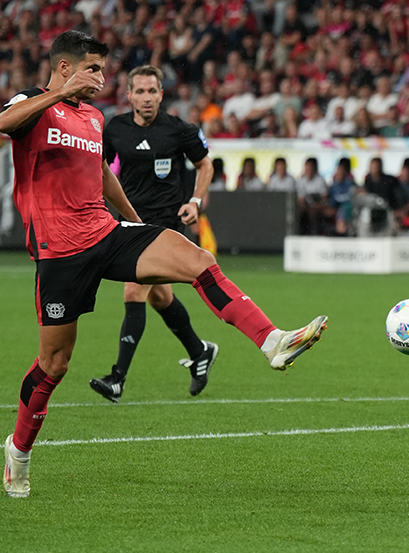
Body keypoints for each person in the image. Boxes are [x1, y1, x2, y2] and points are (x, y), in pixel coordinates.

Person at [1, 31, 328, 499]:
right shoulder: (33, 102)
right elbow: (4, 123)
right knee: (55, 364)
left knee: (198, 260)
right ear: (65, 68)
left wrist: (136, 224)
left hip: (105, 233)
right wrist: (58, 94)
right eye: (93, 68)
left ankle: (271, 340)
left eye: (103, 69)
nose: (101, 78)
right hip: (59, 251)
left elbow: (102, 173)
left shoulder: (93, 117)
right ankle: (18, 450)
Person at [87, 65, 218, 403]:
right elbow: (99, 168)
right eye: (140, 91)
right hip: (129, 222)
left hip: (164, 224)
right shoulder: (115, 129)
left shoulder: (179, 130)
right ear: (129, 95)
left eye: (152, 91)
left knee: (134, 289)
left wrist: (195, 201)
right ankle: (199, 351)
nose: (147, 98)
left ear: (161, 94)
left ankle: (117, 379)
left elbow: (205, 164)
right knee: (159, 297)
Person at [297, 157, 329, 235]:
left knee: (315, 211)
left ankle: (315, 234)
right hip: (306, 206)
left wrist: (316, 205)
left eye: (310, 168)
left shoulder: (320, 180)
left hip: (318, 206)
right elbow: (301, 199)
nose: (308, 170)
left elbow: (325, 197)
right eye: (307, 168)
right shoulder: (301, 181)